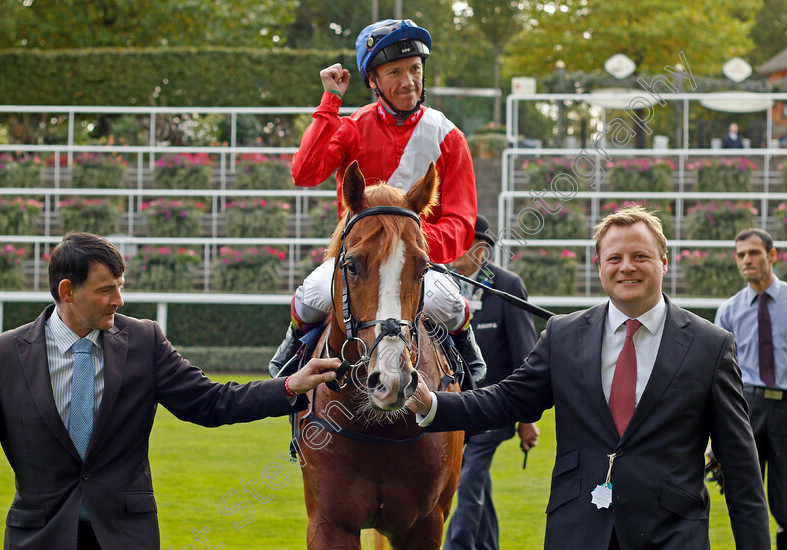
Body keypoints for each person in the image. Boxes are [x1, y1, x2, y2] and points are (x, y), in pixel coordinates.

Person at [0, 232, 340, 550]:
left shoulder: (144, 340)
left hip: (126, 537)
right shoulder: (0, 357)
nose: (119, 300)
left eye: (120, 286)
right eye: (105, 290)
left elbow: (211, 402)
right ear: (67, 291)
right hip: (38, 537)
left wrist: (288, 385)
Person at [408, 205, 770, 549]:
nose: (626, 267)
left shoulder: (710, 346)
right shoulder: (563, 335)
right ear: (600, 267)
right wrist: (433, 405)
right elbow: (507, 399)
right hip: (578, 530)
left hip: (672, 535)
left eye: (639, 256)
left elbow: (741, 471)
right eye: (614, 258)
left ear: (664, 262)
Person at [268, 18, 485, 381]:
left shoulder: (449, 136)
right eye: (395, 72)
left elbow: (462, 223)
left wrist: (403, 247)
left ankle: (469, 365)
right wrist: (330, 103)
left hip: (418, 263)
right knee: (312, 296)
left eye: (415, 69)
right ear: (373, 81)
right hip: (356, 262)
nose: (408, 82)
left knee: (448, 303)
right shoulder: (352, 127)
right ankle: (291, 356)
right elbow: (304, 172)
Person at [443, 214, 540, 550]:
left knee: (466, 482)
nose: (448, 249)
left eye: (457, 242)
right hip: (452, 409)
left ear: (480, 250)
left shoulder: (507, 285)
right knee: (476, 485)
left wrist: (527, 418)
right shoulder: (440, 283)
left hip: (493, 410)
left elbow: (525, 353)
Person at [715, 228, 787, 549]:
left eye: (754, 253)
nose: (747, 260)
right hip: (747, 409)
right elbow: (718, 378)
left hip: (786, 408)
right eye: (741, 255)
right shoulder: (728, 311)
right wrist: (712, 438)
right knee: (744, 494)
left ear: (772, 256)